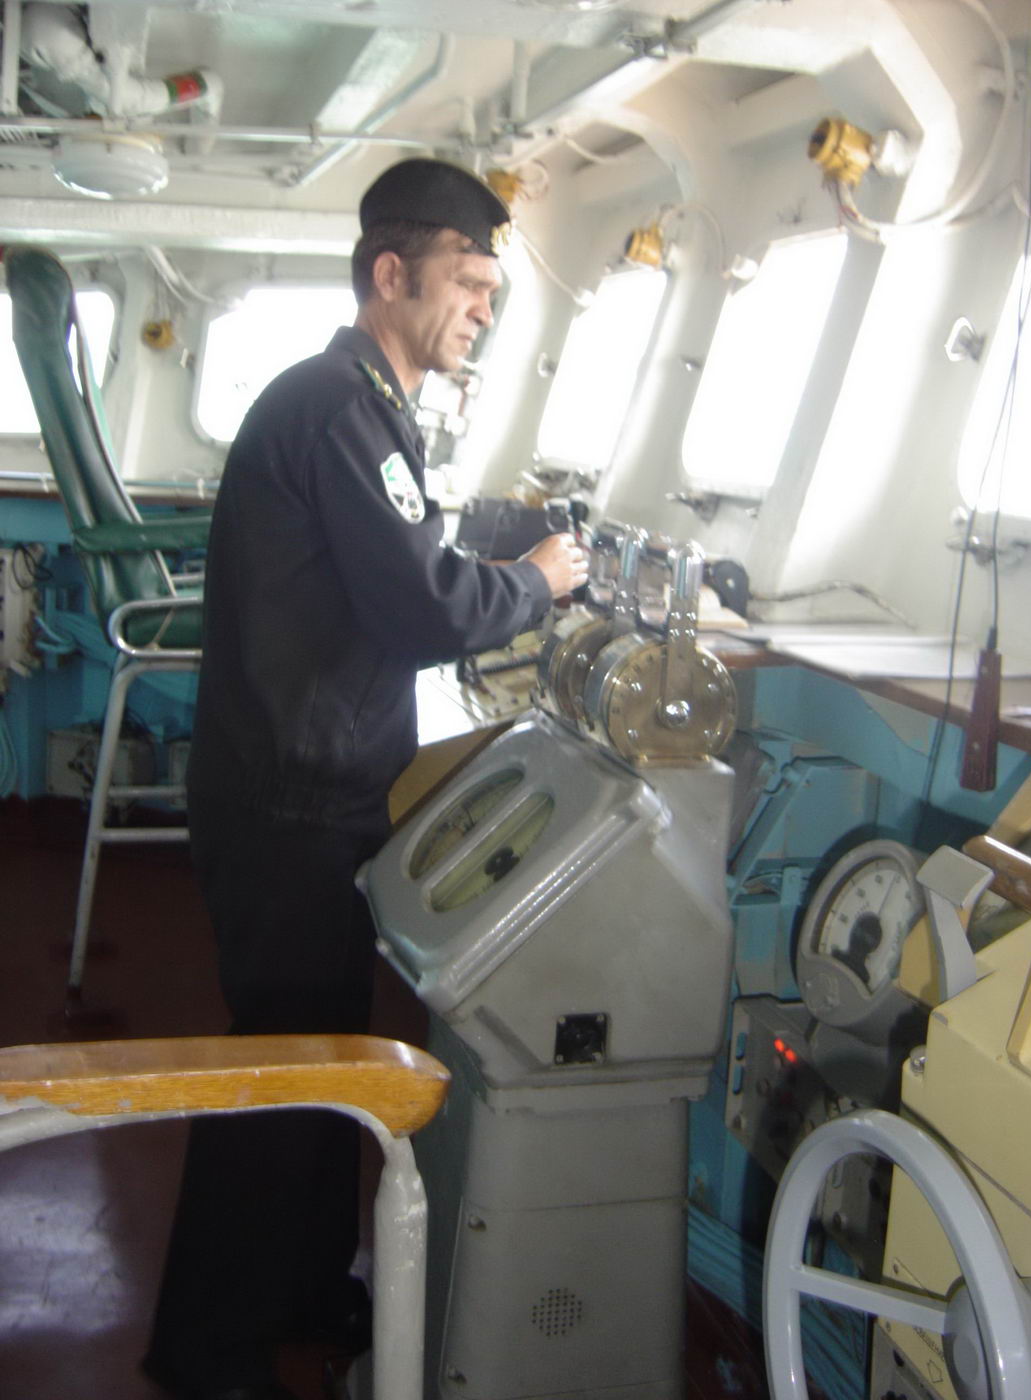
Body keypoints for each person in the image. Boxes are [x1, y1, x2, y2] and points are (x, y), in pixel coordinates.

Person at [142, 157, 588, 1400]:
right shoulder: (340, 406)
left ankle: (300, 1288)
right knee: (282, 1070)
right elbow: (423, 602)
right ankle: (205, 1351)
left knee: (324, 1057)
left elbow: (411, 534)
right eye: (467, 280)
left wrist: (501, 536)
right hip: (290, 800)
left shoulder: (364, 406)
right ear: (391, 274)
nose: (484, 307)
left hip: (311, 786)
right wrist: (540, 581)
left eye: (492, 289)